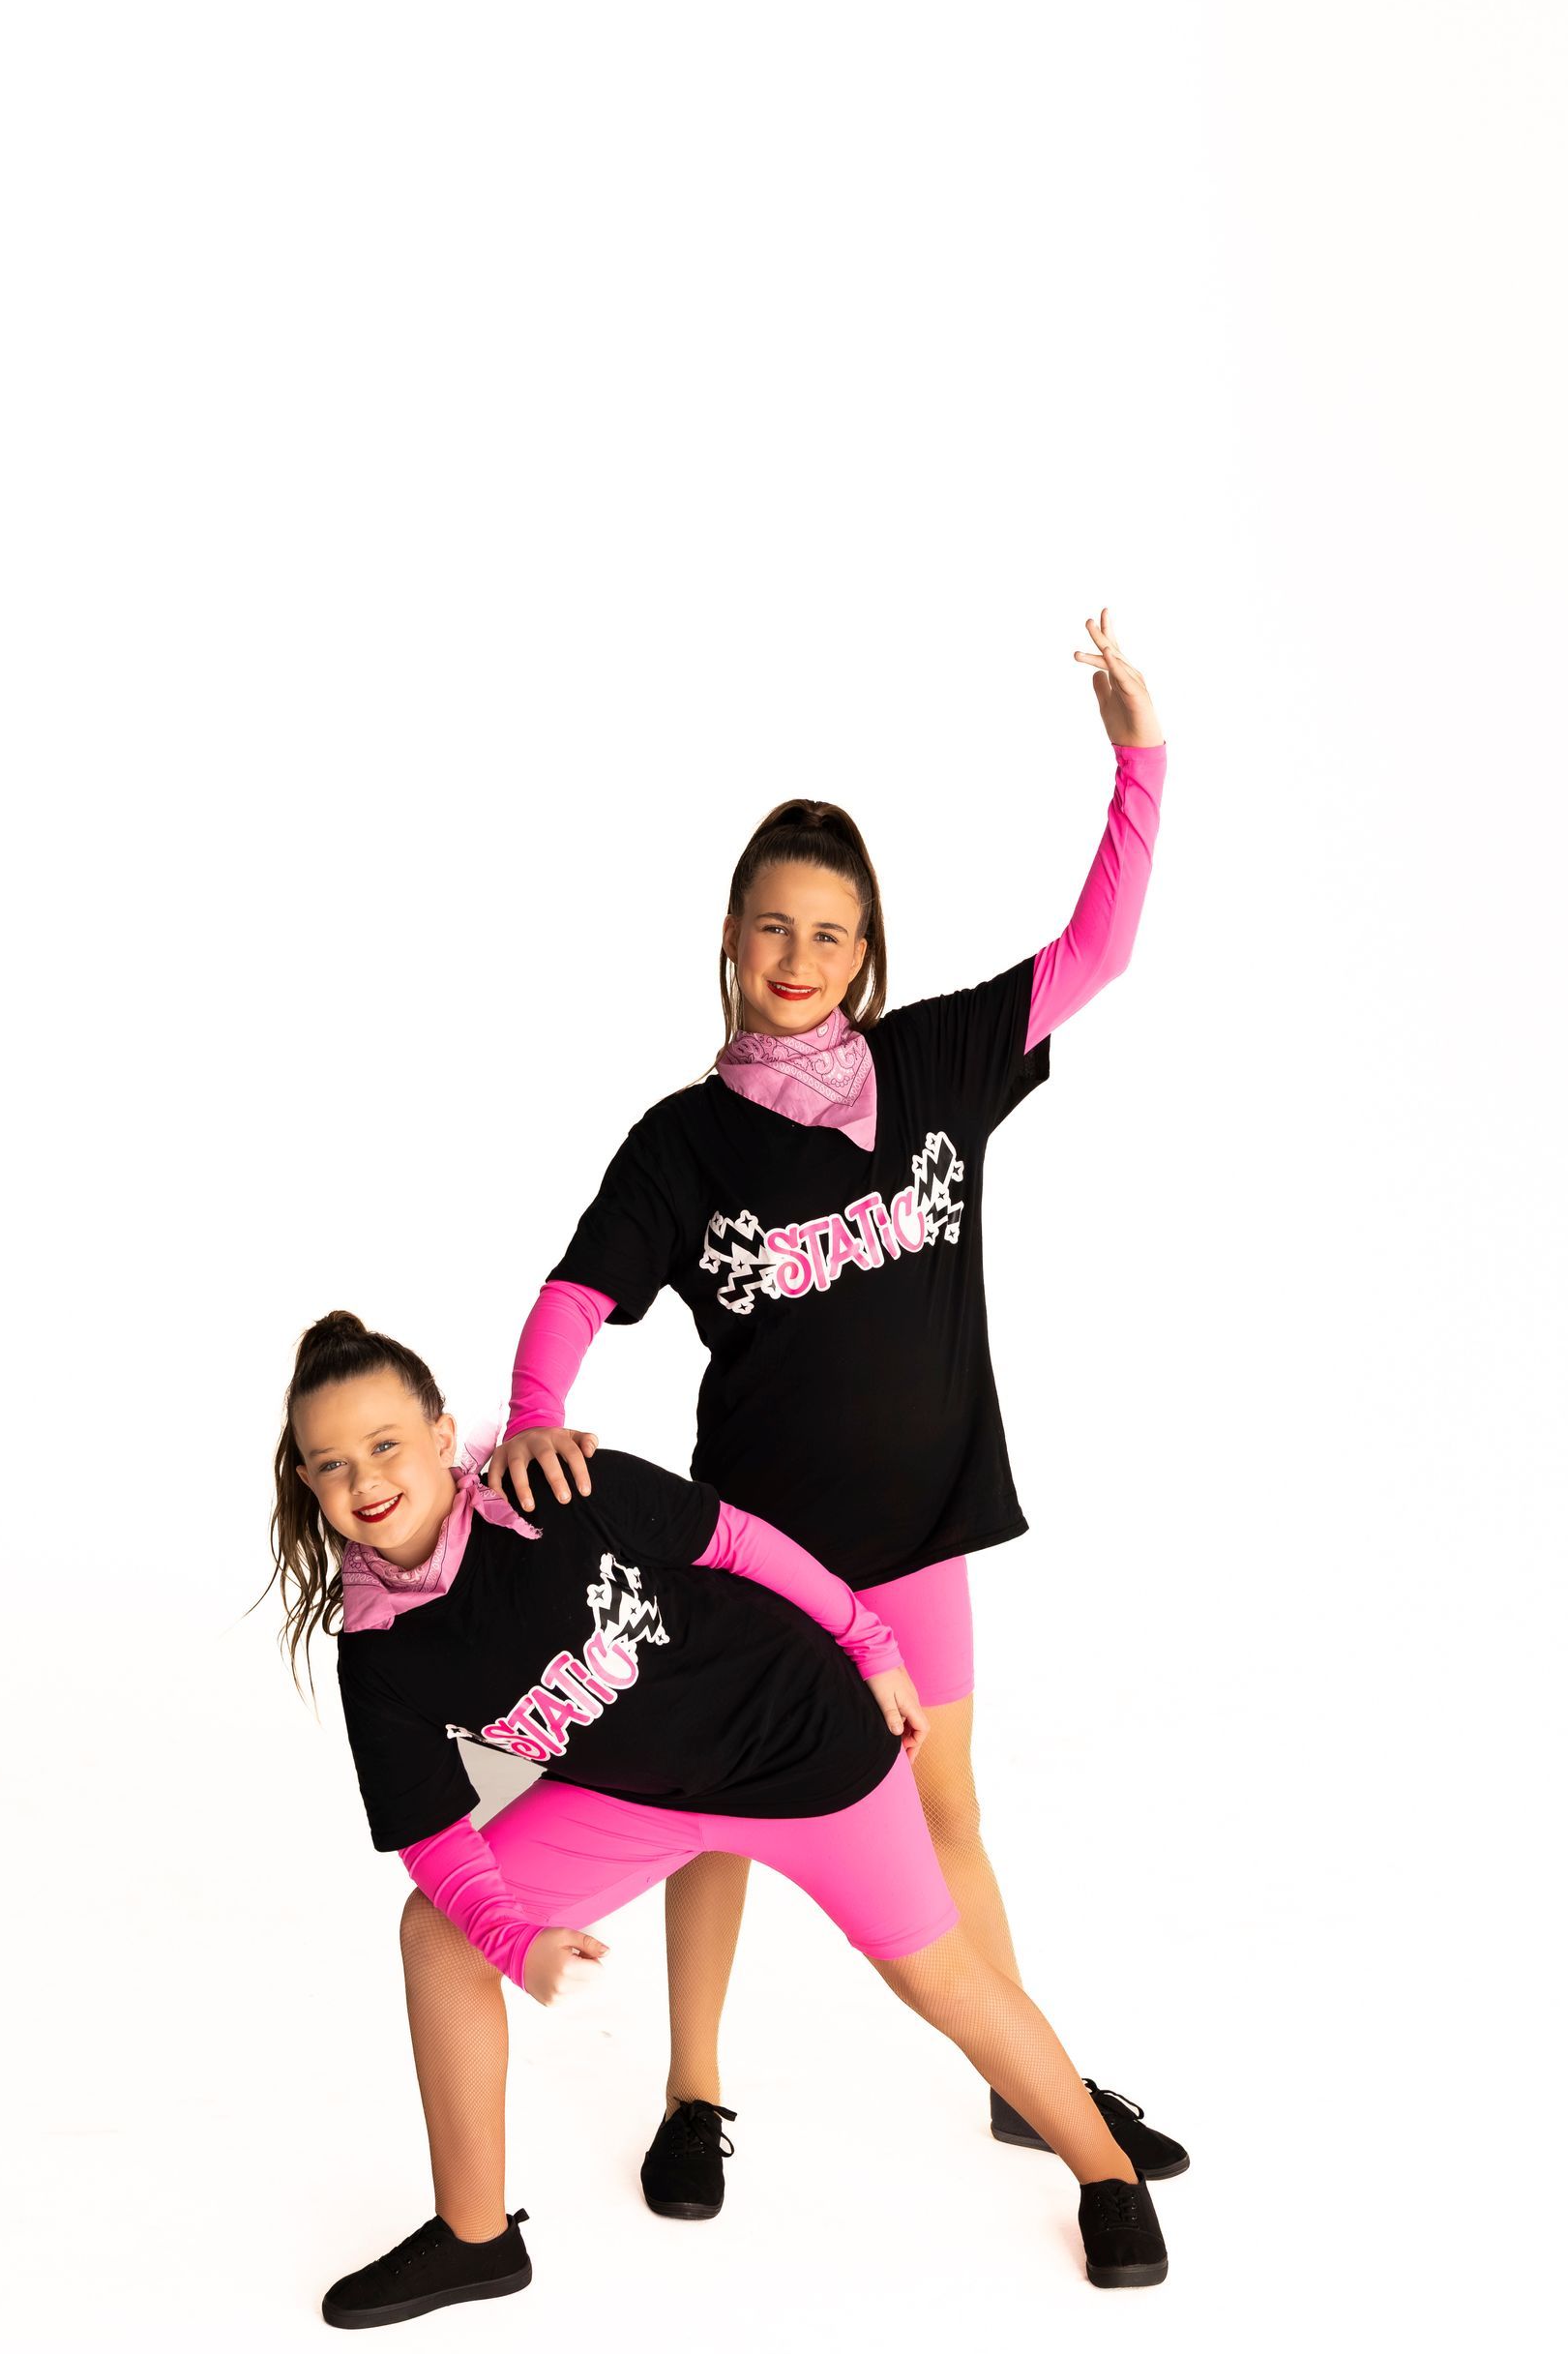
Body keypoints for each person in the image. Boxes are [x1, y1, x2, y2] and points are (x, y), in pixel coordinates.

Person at [481, 610, 1186, 2210]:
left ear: (867, 950)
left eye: (829, 934)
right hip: (757, 1550)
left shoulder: (937, 1067)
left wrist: (1137, 754)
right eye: (771, 930)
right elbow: (577, 1290)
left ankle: (1030, 2081)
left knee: (946, 1799)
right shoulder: (686, 1144)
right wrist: (535, 1408)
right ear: (731, 939)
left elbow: (1099, 952)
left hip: (921, 1532)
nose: (799, 961)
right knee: (725, 1807)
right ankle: (695, 2092)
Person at [268, 1311, 1170, 2324]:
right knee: (439, 1935)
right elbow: (435, 1843)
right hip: (642, 1795)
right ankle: (474, 2237)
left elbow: (736, 1542)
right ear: (309, 1484)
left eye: (385, 1444)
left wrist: (868, 1640)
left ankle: (1105, 2174)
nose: (363, 1480)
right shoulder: (381, 1650)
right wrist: (515, 1943)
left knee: (938, 1974)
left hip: (804, 1752)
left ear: (441, 1437)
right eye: (331, 1463)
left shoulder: (557, 1488)